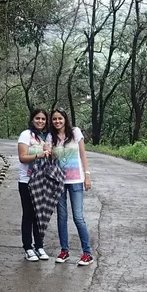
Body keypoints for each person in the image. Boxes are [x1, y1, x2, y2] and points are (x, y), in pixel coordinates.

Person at [49, 108, 93, 266]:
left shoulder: (75, 132)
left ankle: (87, 253)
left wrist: (87, 175)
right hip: (58, 181)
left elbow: (83, 155)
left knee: (78, 217)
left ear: (65, 119)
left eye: (60, 118)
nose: (57, 121)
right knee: (61, 217)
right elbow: (49, 157)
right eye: (54, 119)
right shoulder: (50, 137)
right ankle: (64, 250)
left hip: (76, 180)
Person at [17, 109, 52, 262]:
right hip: (27, 181)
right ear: (32, 119)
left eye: (43, 119)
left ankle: (39, 246)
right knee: (29, 214)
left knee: (40, 214)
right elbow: (22, 157)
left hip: (43, 180)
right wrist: (39, 154)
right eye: (37, 118)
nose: (40, 121)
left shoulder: (48, 136)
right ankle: (28, 247)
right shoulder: (26, 135)